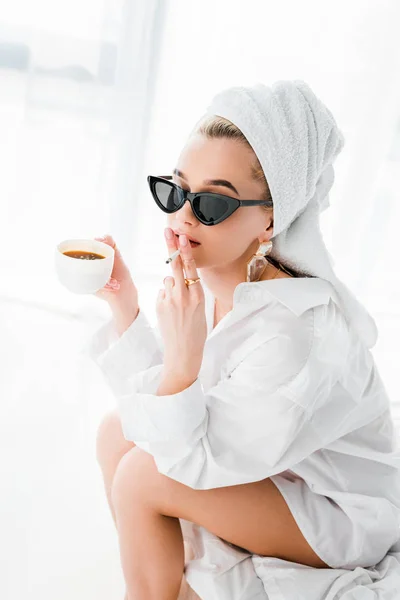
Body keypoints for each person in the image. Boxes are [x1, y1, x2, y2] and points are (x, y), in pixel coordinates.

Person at [86, 81, 400, 600]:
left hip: (340, 510)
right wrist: (125, 302)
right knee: (115, 433)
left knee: (141, 475)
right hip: (274, 467)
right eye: (175, 190)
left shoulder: (295, 333)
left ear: (271, 217)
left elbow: (197, 456)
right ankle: (166, 584)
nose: (184, 216)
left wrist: (184, 360)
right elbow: (162, 413)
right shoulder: (219, 280)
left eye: (211, 204)